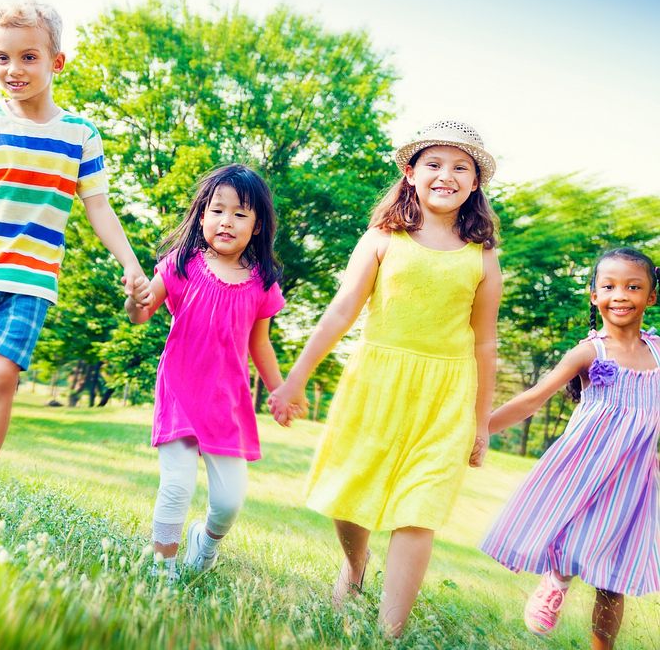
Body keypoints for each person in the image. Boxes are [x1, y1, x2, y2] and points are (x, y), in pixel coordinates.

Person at [0, 0, 151, 526]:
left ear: (57, 63)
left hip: (31, 279)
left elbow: (99, 207)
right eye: (2, 58)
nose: (14, 70)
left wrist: (132, 266)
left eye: (28, 57)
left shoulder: (79, 134)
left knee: (0, 380)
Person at [269, 121, 502, 636]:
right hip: (375, 379)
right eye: (435, 164)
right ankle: (354, 565)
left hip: (446, 393)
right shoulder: (382, 239)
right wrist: (295, 380)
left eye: (461, 167)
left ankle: (388, 633)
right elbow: (339, 312)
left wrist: (480, 422)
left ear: (475, 183)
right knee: (350, 490)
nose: (447, 175)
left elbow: (485, 343)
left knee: (420, 507)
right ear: (411, 173)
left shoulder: (482, 256)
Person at [480, 248, 659, 649]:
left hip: (634, 478)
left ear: (651, 297)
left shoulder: (659, 354)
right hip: (584, 466)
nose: (621, 295)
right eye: (608, 286)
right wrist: (480, 429)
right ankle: (556, 579)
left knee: (613, 575)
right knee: (576, 536)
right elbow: (533, 398)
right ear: (593, 295)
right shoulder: (589, 352)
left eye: (634, 287)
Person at [125, 164, 292, 580]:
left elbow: (260, 344)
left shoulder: (262, 283)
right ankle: (162, 568)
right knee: (177, 486)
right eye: (218, 210)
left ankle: (205, 546)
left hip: (227, 402)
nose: (227, 221)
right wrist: (134, 299)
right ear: (202, 216)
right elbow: (141, 313)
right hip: (180, 389)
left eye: (240, 214)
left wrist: (279, 391)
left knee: (229, 501)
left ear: (256, 227)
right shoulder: (180, 265)